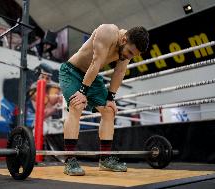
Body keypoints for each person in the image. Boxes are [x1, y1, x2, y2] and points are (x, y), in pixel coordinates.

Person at [59, 24, 149, 176]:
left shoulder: (127, 49)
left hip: (92, 77)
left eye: (133, 55)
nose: (129, 57)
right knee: (77, 105)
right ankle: (70, 160)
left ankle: (105, 159)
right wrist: (82, 92)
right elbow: (95, 63)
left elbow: (120, 71)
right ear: (124, 39)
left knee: (109, 111)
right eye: (129, 52)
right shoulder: (107, 32)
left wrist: (110, 98)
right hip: (72, 72)